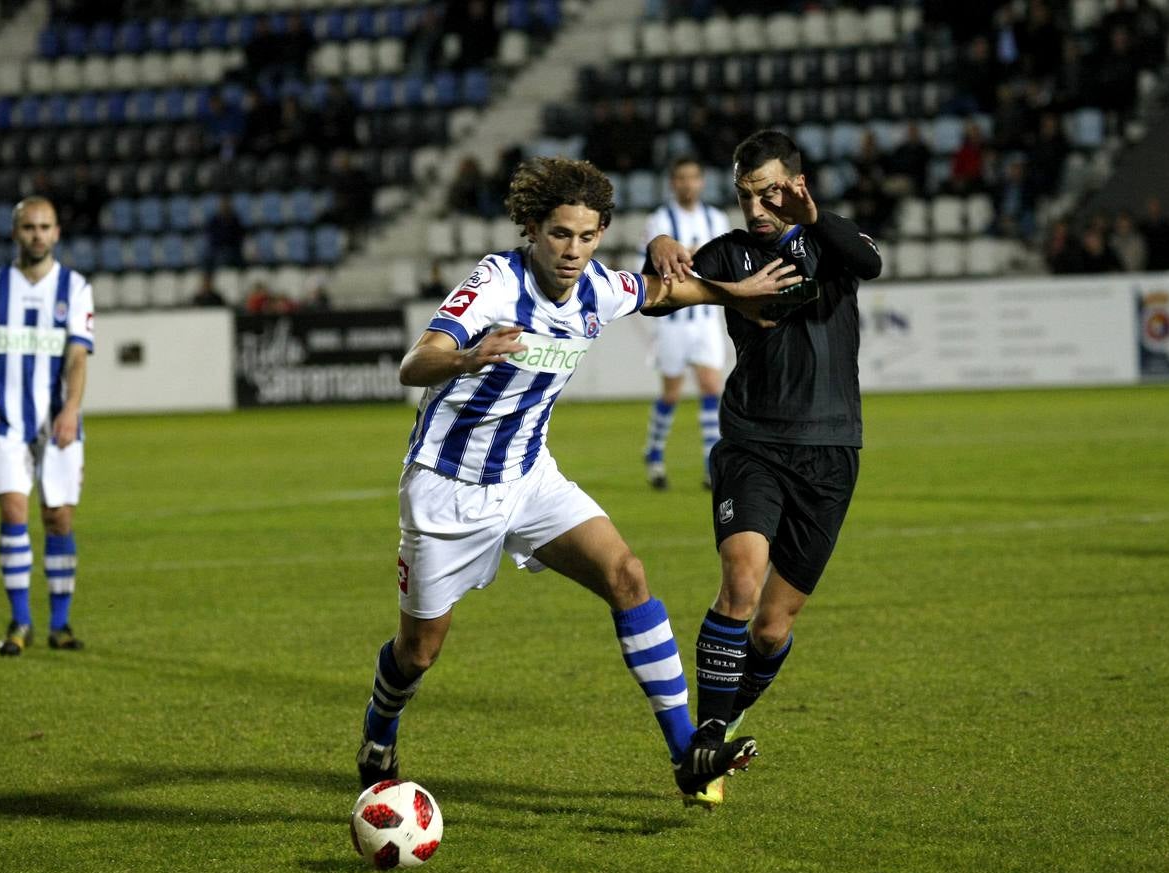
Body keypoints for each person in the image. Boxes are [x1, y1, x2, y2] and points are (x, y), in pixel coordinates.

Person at [356, 156, 806, 807]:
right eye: (561, 234)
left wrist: (734, 294)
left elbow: (658, 291)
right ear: (533, 228)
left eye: (588, 235)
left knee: (627, 574)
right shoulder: (495, 282)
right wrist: (466, 356)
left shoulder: (596, 287)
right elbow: (413, 363)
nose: (573, 250)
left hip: (531, 478)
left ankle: (688, 755)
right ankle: (378, 732)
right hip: (447, 490)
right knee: (418, 652)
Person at [645, 131, 882, 806]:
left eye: (770, 191)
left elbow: (871, 263)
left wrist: (813, 221)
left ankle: (727, 720)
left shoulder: (833, 247)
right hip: (752, 440)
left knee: (773, 628)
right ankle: (707, 737)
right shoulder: (729, 253)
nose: (756, 206)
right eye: (747, 194)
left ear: (797, 185)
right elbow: (661, 292)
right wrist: (659, 252)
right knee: (741, 581)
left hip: (832, 450)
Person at [0, 196, 95, 656]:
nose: (37, 234)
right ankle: (20, 623)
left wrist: (71, 408)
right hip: (6, 423)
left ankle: (60, 624)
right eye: (29, 227)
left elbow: (77, 356)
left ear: (57, 233)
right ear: (15, 233)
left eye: (45, 226)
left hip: (57, 425)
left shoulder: (74, 288)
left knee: (58, 518)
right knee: (13, 512)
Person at [637, 157, 732, 490]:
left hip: (706, 318)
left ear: (702, 181)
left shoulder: (717, 219)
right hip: (673, 321)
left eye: (693, 177)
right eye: (681, 178)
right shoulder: (659, 221)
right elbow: (646, 266)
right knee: (672, 392)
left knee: (710, 386)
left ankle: (710, 463)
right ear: (672, 183)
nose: (688, 184)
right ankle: (654, 453)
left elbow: (724, 264)